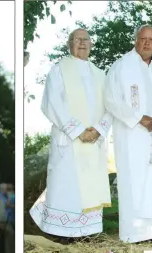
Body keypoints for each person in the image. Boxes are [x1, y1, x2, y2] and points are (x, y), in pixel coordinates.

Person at [29, 28, 113, 238]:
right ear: (69, 44)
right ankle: (59, 234)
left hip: (93, 143)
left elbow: (111, 106)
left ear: (91, 44)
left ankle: (88, 234)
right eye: (77, 40)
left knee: (90, 187)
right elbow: (52, 103)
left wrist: (98, 129)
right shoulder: (58, 70)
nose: (82, 43)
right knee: (65, 187)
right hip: (67, 141)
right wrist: (77, 130)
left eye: (86, 39)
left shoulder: (101, 74)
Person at [104, 24, 152, 243]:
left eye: (151, 40)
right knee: (135, 182)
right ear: (135, 40)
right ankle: (136, 233)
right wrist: (138, 118)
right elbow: (110, 100)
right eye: (143, 39)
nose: (147, 43)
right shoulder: (120, 67)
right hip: (132, 137)